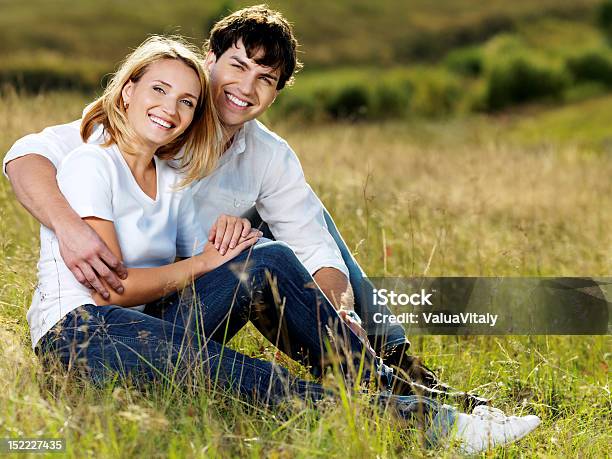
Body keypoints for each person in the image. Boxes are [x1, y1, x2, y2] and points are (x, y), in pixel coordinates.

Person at [4, 8, 541, 453]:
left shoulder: (196, 157)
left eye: (266, 80)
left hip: (170, 311)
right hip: (88, 328)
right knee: (252, 378)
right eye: (236, 67)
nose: (244, 88)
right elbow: (27, 157)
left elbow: (313, 244)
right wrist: (69, 227)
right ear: (206, 62)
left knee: (275, 254)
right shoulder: (116, 141)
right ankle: (429, 423)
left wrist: (339, 312)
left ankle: (404, 381)